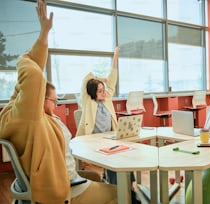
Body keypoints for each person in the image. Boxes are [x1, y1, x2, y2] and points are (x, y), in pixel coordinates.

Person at [0, 1, 70, 203]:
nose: (56, 106)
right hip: (57, 192)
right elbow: (33, 78)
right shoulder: (26, 117)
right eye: (54, 101)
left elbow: (30, 80)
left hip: (56, 183)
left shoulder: (16, 111)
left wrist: (44, 34)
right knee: (116, 193)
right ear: (38, 99)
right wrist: (22, 59)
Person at [44, 82, 117, 203]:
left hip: (67, 177)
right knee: (121, 193)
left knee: (96, 176)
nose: (55, 106)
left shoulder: (41, 121)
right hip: (68, 186)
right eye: (54, 101)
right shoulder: (89, 104)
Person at [75, 47, 136, 186]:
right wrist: (97, 79)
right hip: (93, 141)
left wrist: (115, 56)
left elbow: (113, 76)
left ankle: (129, 186)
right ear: (92, 93)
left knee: (124, 155)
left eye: (104, 90)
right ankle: (118, 189)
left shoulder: (107, 98)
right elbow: (86, 79)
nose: (104, 93)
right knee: (115, 158)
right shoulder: (88, 101)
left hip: (110, 138)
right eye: (100, 91)